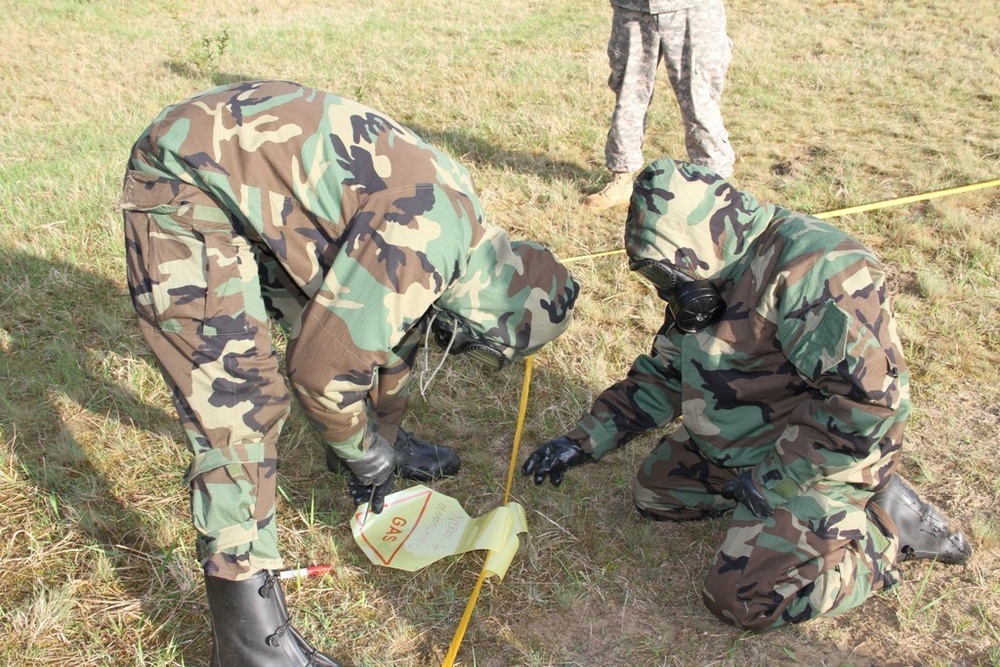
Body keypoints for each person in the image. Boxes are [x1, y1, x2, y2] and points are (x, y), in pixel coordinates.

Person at [121, 80, 579, 666]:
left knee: (338, 334)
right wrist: (360, 450)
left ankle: (364, 441)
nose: (457, 349)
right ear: (487, 312)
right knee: (241, 402)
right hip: (185, 176)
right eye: (474, 344)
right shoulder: (423, 239)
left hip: (246, 171)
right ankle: (247, 646)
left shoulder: (465, 235)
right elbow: (320, 369)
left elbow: (390, 331)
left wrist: (382, 439)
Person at [523, 159, 972, 632]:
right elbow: (666, 373)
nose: (665, 293)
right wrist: (584, 440)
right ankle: (772, 514)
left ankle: (885, 528)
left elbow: (867, 405)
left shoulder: (817, 273)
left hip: (827, 453)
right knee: (655, 493)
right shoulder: (709, 269)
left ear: (698, 246)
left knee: (743, 600)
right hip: (757, 436)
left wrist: (774, 480)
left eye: (665, 277)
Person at [584, 0, 736, 209]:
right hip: (633, 8)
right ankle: (621, 180)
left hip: (693, 8)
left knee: (699, 97)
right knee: (629, 96)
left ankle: (713, 185)